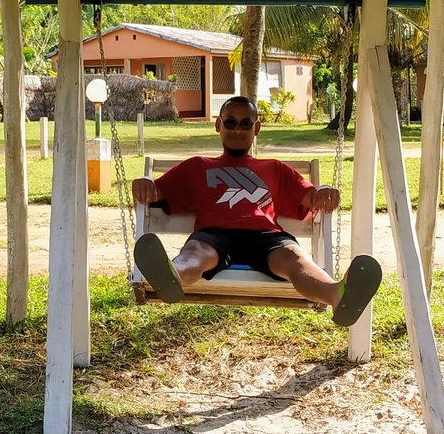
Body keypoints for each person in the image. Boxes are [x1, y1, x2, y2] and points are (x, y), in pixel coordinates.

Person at [131, 96, 381, 326]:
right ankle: (171, 276)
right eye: (230, 123)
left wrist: (324, 191)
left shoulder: (275, 168)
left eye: (245, 123)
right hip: (214, 234)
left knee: (295, 258)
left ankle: (337, 294)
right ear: (218, 125)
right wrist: (144, 184)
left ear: (256, 128)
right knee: (194, 253)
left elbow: (311, 197)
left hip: (265, 235)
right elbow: (156, 192)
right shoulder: (197, 167)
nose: (237, 130)